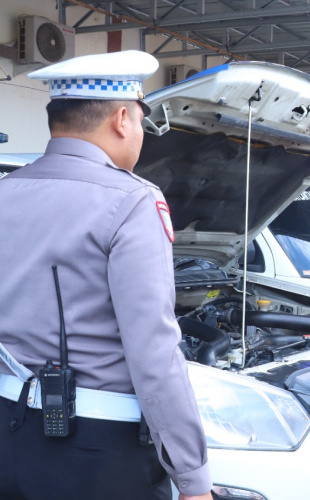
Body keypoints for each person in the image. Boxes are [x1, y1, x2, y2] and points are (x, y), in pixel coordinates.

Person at [0, 52, 211, 499]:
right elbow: (153, 353)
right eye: (140, 121)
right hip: (98, 451)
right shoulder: (132, 202)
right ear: (121, 119)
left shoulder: (5, 192)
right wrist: (193, 479)